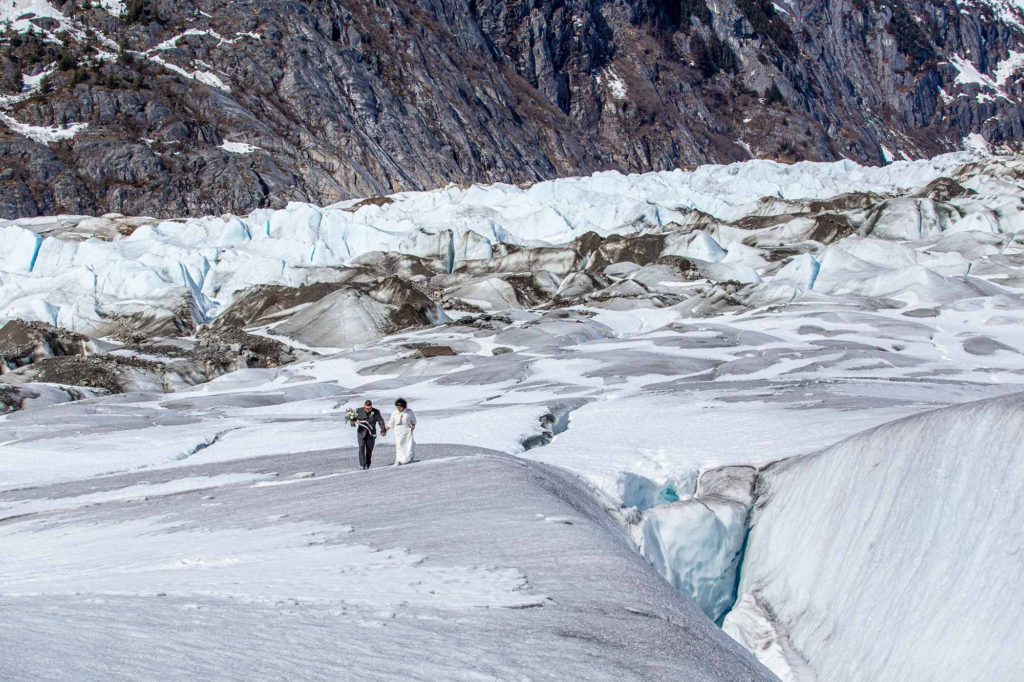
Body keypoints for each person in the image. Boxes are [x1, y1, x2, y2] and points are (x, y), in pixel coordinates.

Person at [353, 400, 386, 470]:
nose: (368, 410)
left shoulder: (376, 412)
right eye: (366, 408)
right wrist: (352, 422)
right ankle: (362, 464)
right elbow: (354, 419)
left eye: (369, 409)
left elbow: (381, 421)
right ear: (364, 406)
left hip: (371, 434)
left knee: (369, 450)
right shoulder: (359, 411)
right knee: (361, 447)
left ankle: (367, 464)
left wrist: (383, 430)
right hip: (361, 433)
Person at [386, 398, 417, 465]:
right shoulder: (394, 413)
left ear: (404, 406)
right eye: (397, 407)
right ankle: (399, 459)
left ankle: (408, 458)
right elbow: (391, 422)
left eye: (400, 407)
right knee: (399, 444)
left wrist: (413, 425)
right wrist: (386, 429)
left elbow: (413, 420)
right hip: (398, 431)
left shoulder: (409, 412)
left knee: (408, 444)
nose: (399, 408)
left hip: (407, 430)